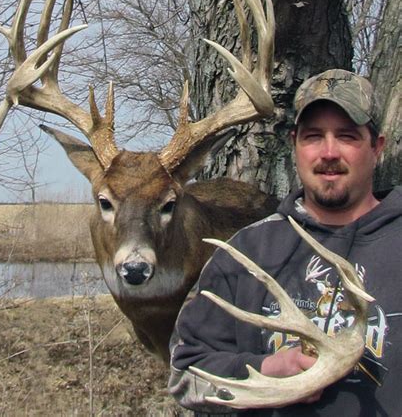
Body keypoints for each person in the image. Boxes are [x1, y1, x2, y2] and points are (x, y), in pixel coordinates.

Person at [168, 69, 402, 416]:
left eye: (347, 136)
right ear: (294, 144)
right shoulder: (247, 253)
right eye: (312, 136)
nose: (328, 152)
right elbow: (184, 375)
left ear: (377, 147)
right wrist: (267, 371)